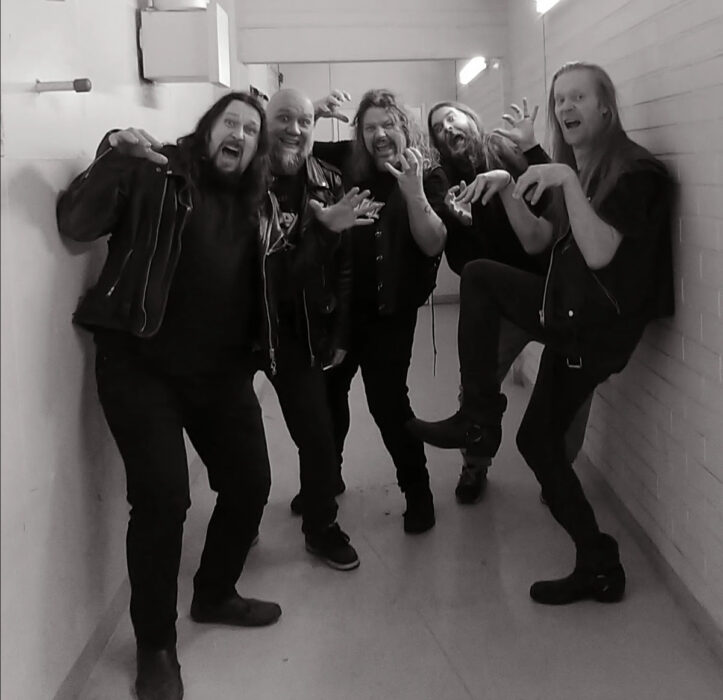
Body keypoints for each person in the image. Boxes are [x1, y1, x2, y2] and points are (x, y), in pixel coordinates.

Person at [409, 62, 674, 605]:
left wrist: (563, 179)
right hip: (569, 310)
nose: (566, 107)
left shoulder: (635, 171)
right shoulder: (583, 166)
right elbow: (541, 239)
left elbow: (599, 253)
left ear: (607, 106)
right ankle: (598, 563)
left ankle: (478, 421)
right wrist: (511, 188)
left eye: (579, 97)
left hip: (594, 329)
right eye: (560, 100)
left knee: (540, 433)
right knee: (535, 439)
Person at [56, 92, 283, 700]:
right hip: (140, 363)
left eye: (251, 130)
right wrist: (114, 157)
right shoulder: (157, 172)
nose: (239, 134)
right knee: (162, 502)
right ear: (207, 130)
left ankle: (215, 593)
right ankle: (155, 646)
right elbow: (75, 222)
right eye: (230, 122)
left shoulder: (259, 204)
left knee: (250, 483)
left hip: (220, 374)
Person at [427, 99, 593, 504]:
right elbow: (459, 256)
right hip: (501, 303)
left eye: (452, 119)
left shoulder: (507, 150)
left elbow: (558, 196)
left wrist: (532, 148)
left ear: (470, 118)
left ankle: (558, 473)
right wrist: (459, 220)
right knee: (477, 383)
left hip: (552, 287)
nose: (447, 129)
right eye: (438, 129)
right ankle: (475, 464)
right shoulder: (445, 180)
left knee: (573, 384)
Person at [312, 89, 449, 534]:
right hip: (341, 309)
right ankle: (327, 477)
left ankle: (418, 491)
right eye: (370, 127)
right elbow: (291, 147)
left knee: (388, 404)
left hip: (391, 313)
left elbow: (433, 243)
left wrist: (414, 193)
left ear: (404, 127)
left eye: (388, 124)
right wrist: (309, 113)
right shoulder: (350, 160)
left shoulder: (426, 173)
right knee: (329, 395)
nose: (379, 134)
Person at [259, 88, 375, 570]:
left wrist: (341, 333)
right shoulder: (240, 174)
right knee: (237, 446)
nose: (294, 129)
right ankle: (239, 520)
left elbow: (344, 267)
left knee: (318, 435)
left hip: (298, 330)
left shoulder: (329, 180)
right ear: (264, 122)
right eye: (283, 118)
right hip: (238, 328)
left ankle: (321, 526)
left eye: (304, 121)